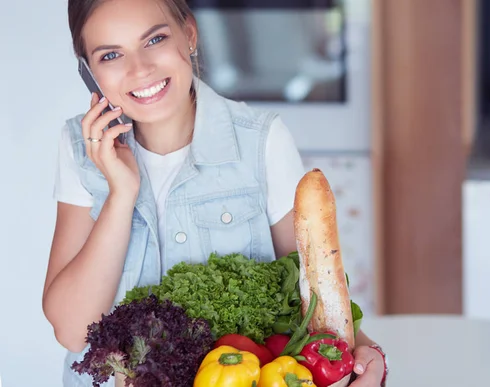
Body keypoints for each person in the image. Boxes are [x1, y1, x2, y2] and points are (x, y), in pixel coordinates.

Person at [42, 0, 388, 385]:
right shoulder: (79, 146)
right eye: (111, 55)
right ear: (89, 71)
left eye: (154, 39)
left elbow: (308, 291)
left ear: (189, 34)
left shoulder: (261, 141)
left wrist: (364, 350)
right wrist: (121, 196)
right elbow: (73, 332)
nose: (140, 69)